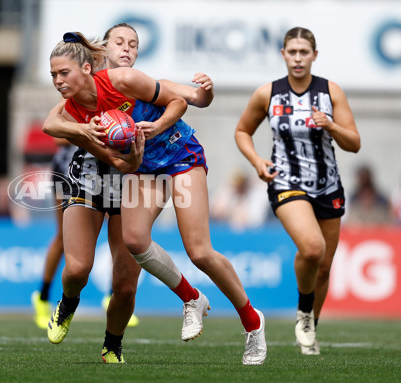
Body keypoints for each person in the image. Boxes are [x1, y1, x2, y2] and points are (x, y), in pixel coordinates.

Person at [45, 27, 266, 366]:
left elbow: (185, 99)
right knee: (134, 240)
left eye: (133, 43)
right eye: (120, 42)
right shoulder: (75, 106)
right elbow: (65, 130)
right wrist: (116, 148)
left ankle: (253, 323)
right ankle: (192, 298)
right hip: (142, 170)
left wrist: (161, 123)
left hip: (180, 156)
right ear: (101, 52)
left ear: (86, 67)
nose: (59, 80)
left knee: (200, 252)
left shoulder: (125, 80)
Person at [234, 27, 361, 356]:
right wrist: (257, 162)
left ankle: (310, 327)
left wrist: (331, 125)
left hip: (328, 185)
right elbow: (242, 131)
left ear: (314, 55)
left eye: (304, 52)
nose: (298, 58)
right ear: (283, 55)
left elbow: (354, 143)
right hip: (285, 182)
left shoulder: (331, 91)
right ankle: (304, 312)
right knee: (311, 247)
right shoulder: (268, 94)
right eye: (292, 52)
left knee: (323, 267)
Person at [31, 138, 78, 329]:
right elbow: (58, 137)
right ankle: (43, 297)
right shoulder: (72, 106)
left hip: (99, 172)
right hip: (65, 172)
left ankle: (114, 296)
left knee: (118, 225)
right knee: (63, 237)